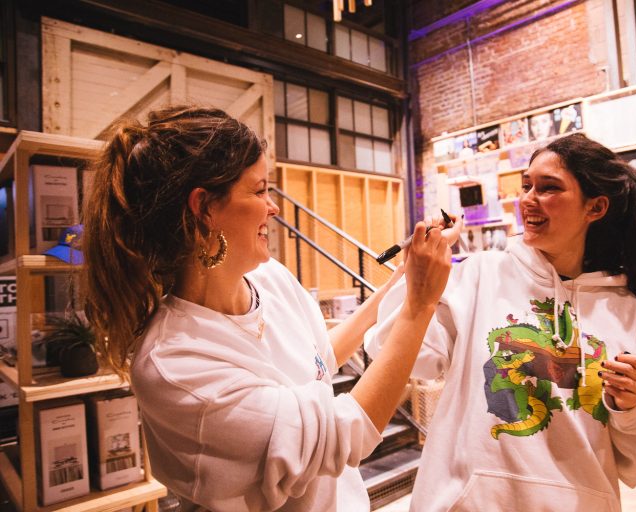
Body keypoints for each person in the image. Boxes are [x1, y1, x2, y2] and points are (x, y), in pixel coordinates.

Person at [81, 105, 454, 511]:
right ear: (204, 208)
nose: (273, 207)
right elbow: (343, 435)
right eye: (259, 191)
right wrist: (419, 305)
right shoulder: (175, 364)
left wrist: (406, 276)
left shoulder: (268, 278)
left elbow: (320, 358)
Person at [366, 132, 636, 511]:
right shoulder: (479, 275)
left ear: (595, 208)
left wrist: (631, 406)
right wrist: (417, 277)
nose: (528, 198)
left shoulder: (625, 308)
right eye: (527, 185)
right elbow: (395, 353)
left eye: (549, 188)